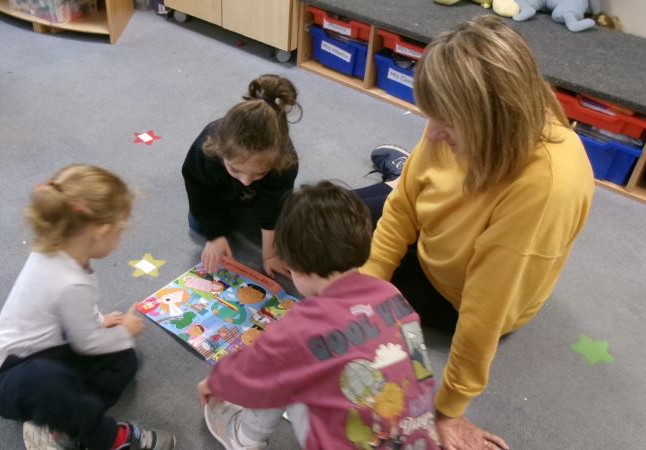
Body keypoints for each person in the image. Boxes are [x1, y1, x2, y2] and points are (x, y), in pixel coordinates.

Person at [356, 16, 595, 450]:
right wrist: (371, 278)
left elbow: (485, 309)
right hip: (440, 235)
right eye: (432, 117)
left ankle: (393, 174)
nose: (431, 133)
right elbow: (406, 203)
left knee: (328, 258)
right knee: (326, 215)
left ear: (493, 119)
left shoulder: (546, 187)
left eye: (445, 123)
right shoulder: (469, 121)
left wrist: (449, 410)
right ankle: (396, 171)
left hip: (458, 294)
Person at [196, 181, 440, 450]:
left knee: (285, 369)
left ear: (296, 267)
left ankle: (244, 438)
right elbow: (419, 372)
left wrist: (217, 382)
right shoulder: (393, 294)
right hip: (420, 440)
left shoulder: (303, 326)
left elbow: (251, 370)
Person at [0, 165, 175, 450]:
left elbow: (65, 314)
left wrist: (100, 323)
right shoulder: (71, 282)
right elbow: (87, 342)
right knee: (54, 377)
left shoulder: (57, 251)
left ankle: (60, 420)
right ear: (101, 233)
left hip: (45, 355)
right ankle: (107, 438)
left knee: (124, 359)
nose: (120, 239)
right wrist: (124, 331)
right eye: (119, 232)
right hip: (8, 380)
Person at [182, 74, 300, 278]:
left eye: (260, 173)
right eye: (236, 170)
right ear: (220, 151)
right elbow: (198, 190)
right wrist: (215, 235)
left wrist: (270, 255)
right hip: (216, 192)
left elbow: (273, 208)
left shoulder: (285, 162)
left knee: (279, 226)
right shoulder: (206, 149)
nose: (246, 181)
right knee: (199, 226)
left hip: (257, 195)